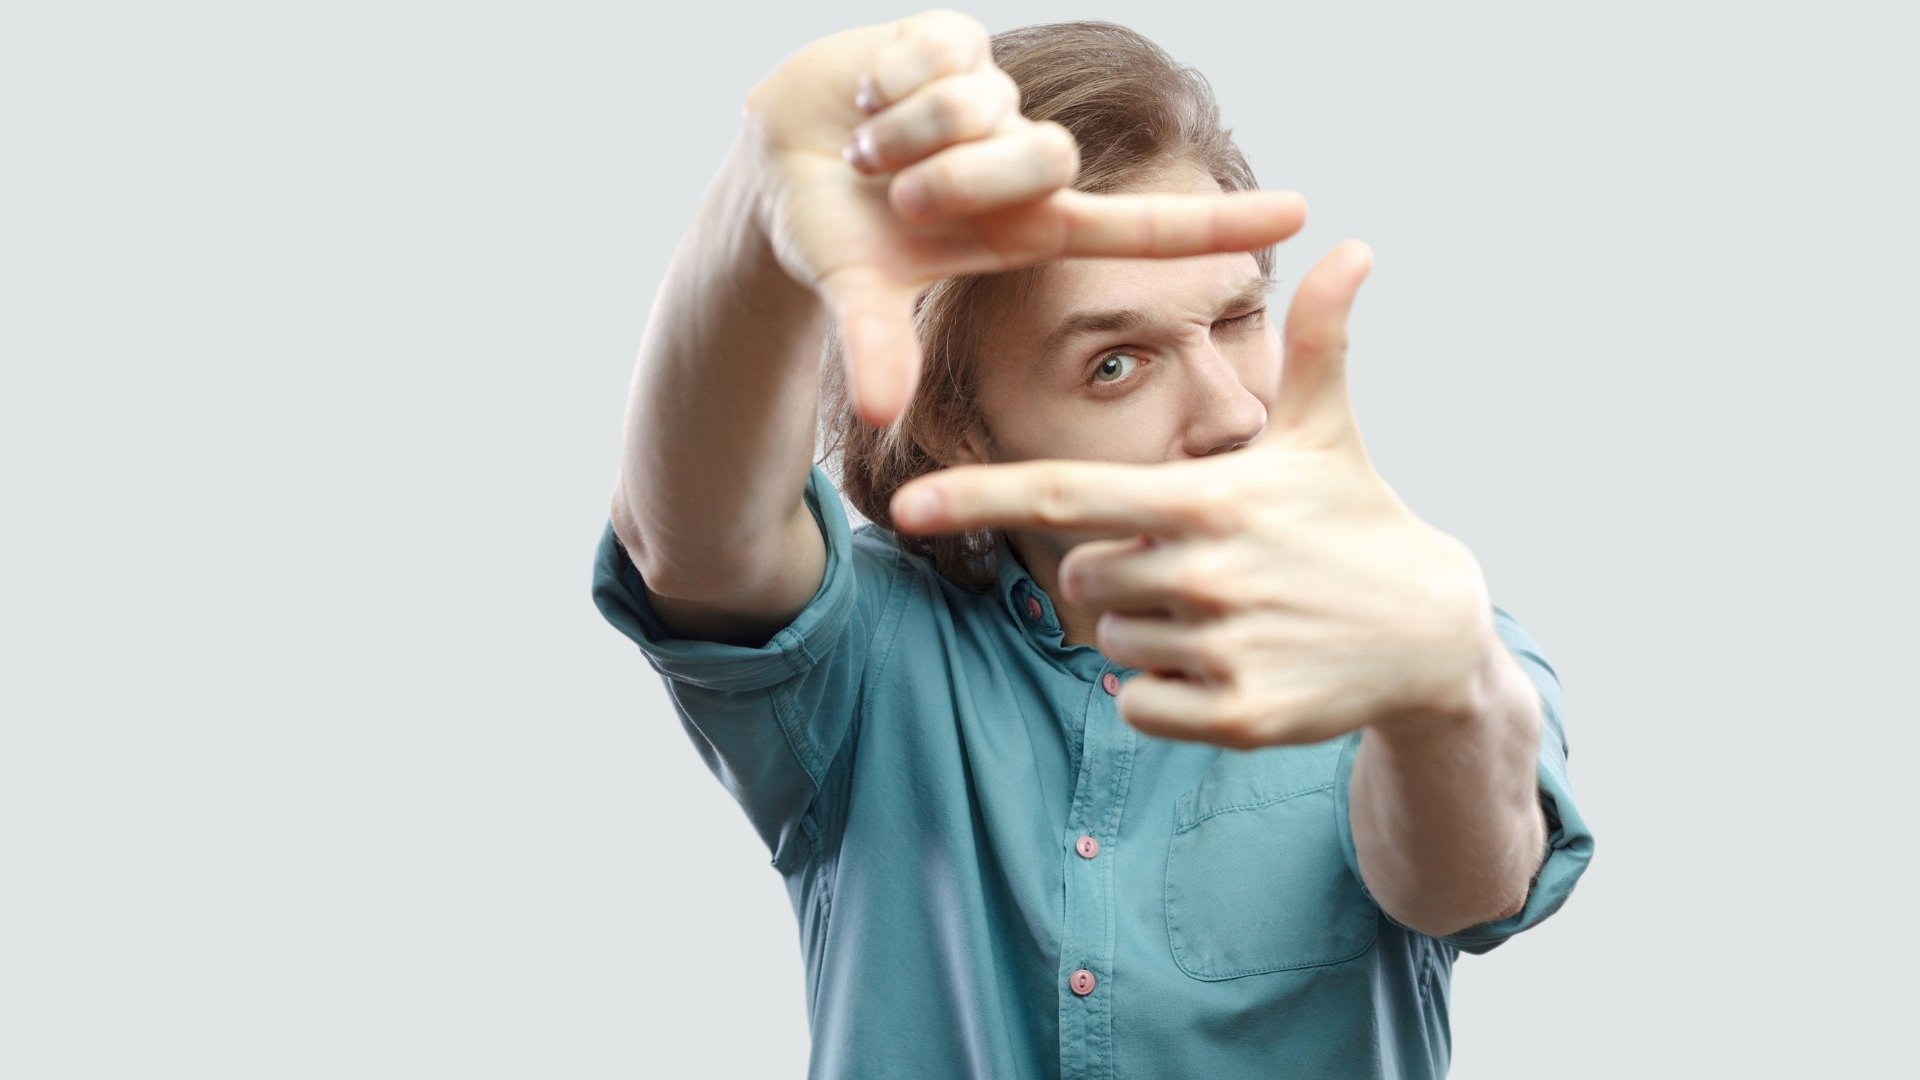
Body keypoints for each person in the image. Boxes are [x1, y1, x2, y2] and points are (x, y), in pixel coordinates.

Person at [591, 11, 1593, 1078]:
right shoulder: (872, 659)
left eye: (1237, 319)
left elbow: (1467, 884)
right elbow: (690, 545)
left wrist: (1446, 699)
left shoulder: (1427, 637)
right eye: (1116, 364)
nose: (1234, 413)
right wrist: (757, 217)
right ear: (956, 423)